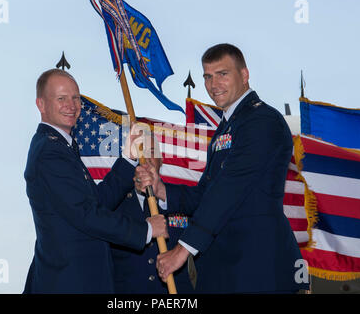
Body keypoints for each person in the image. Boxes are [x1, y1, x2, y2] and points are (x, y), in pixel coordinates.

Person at [136, 43, 309, 293]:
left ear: (244, 74)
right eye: (207, 76)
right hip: (226, 268)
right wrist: (161, 189)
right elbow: (205, 194)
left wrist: (183, 250)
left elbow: (229, 190)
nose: (213, 84)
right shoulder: (227, 128)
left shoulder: (262, 121)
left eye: (222, 74)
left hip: (256, 267)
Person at [23, 69, 168, 294]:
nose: (71, 105)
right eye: (61, 98)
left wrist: (128, 159)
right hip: (69, 282)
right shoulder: (49, 152)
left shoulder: (62, 147)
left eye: (75, 98)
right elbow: (86, 214)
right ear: (41, 104)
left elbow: (96, 202)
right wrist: (146, 230)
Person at [110, 139, 194, 294]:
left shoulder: (183, 201)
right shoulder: (114, 206)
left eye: (152, 151)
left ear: (161, 160)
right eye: (139, 151)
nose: (145, 157)